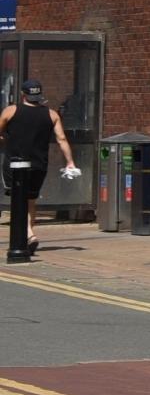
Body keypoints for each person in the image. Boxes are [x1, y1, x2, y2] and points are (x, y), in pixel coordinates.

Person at [0, 84, 77, 264]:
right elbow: (62, 139)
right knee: (30, 200)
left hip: (15, 163)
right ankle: (27, 237)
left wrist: (6, 139)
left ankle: (27, 235)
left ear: (23, 95)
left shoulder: (11, 111)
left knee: (17, 200)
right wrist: (70, 162)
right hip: (38, 165)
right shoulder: (51, 115)